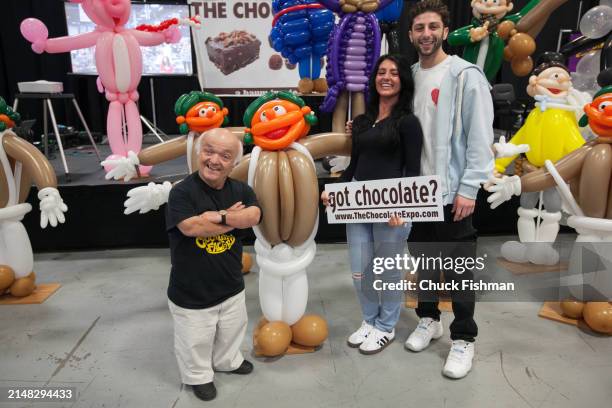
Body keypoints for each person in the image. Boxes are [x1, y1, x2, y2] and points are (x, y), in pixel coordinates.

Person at [404, 0, 494, 379]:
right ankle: (428, 319)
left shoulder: (464, 74)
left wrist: (469, 188)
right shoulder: (408, 75)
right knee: (424, 261)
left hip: (453, 190)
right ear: (410, 35)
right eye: (419, 27)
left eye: (433, 26)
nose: (426, 33)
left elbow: (480, 134)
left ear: (444, 30)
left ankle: (464, 338)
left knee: (458, 270)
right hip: (418, 193)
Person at [322, 54, 424, 355]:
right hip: (357, 203)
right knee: (360, 269)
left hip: (391, 206)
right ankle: (369, 320)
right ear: (374, 79)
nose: (386, 77)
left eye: (393, 72)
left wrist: (403, 209)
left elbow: (413, 169)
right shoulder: (363, 122)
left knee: (387, 270)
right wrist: (337, 192)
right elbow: (355, 163)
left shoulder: (408, 122)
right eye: (381, 72)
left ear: (402, 80)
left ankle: (386, 326)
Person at [165, 128, 261, 401]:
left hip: (231, 285)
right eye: (208, 151)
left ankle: (228, 361)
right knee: (195, 340)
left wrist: (218, 217)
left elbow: (253, 216)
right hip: (191, 291)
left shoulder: (241, 189)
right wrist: (232, 218)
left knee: (232, 330)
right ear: (198, 153)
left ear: (234, 163)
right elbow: (192, 227)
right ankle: (199, 376)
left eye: (225, 155)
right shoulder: (181, 193)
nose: (214, 160)